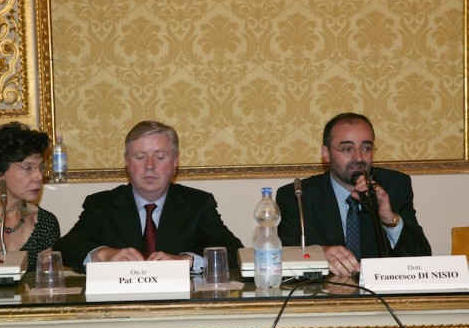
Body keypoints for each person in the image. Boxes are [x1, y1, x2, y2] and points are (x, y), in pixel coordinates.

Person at [54, 120, 243, 274]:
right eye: (140, 157)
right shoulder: (102, 205)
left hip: (181, 310)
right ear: (127, 161)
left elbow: (234, 250)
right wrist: (104, 254)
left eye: (160, 157)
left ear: (175, 161)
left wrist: (186, 260)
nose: (150, 166)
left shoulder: (198, 204)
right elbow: (66, 247)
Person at [276, 113, 431, 276]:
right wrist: (319, 254)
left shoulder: (395, 186)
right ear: (326, 153)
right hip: (324, 296)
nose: (358, 158)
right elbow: (283, 256)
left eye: (366, 148)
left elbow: (423, 259)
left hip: (383, 296)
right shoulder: (297, 195)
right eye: (347, 149)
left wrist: (389, 219)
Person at [0, 122, 61, 272]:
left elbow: (46, 284)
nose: (38, 176)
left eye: (41, 167)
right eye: (28, 168)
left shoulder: (45, 223)